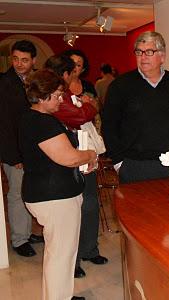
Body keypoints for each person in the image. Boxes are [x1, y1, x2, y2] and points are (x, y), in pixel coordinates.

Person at [20, 68, 97, 300]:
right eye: (56, 95)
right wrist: (90, 154)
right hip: (54, 197)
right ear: (42, 97)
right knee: (60, 255)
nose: (60, 99)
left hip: (47, 193)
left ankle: (62, 295)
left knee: (61, 253)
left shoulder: (31, 118)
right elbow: (68, 157)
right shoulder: (42, 123)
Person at [46, 53, 108, 279]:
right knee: (72, 212)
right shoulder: (52, 96)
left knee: (90, 203)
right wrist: (89, 105)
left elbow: (84, 113)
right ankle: (74, 261)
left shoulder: (66, 92)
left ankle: (89, 249)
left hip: (83, 155)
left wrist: (88, 107)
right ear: (64, 73)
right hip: (66, 158)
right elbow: (79, 116)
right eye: (72, 71)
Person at [102, 31, 169, 183]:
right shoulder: (120, 85)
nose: (143, 57)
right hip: (134, 165)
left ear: (162, 56)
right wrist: (119, 163)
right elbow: (109, 126)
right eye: (139, 52)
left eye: (149, 52)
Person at [0, 40, 44, 257]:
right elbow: (4, 124)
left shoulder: (38, 80)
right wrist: (13, 155)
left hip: (38, 149)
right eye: (15, 59)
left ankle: (29, 232)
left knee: (33, 191)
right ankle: (19, 239)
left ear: (33, 61)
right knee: (17, 194)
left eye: (24, 60)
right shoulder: (3, 82)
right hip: (14, 151)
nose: (18, 64)